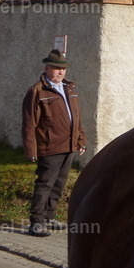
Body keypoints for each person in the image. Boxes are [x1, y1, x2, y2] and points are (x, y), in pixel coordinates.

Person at [21, 49, 86, 237]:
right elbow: (29, 123)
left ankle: (50, 217)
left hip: (69, 145)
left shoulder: (69, 89)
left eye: (63, 69)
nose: (60, 73)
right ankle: (36, 222)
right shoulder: (37, 91)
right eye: (56, 69)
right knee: (45, 184)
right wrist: (31, 151)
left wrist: (81, 139)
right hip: (50, 147)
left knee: (59, 184)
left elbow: (77, 117)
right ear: (47, 68)